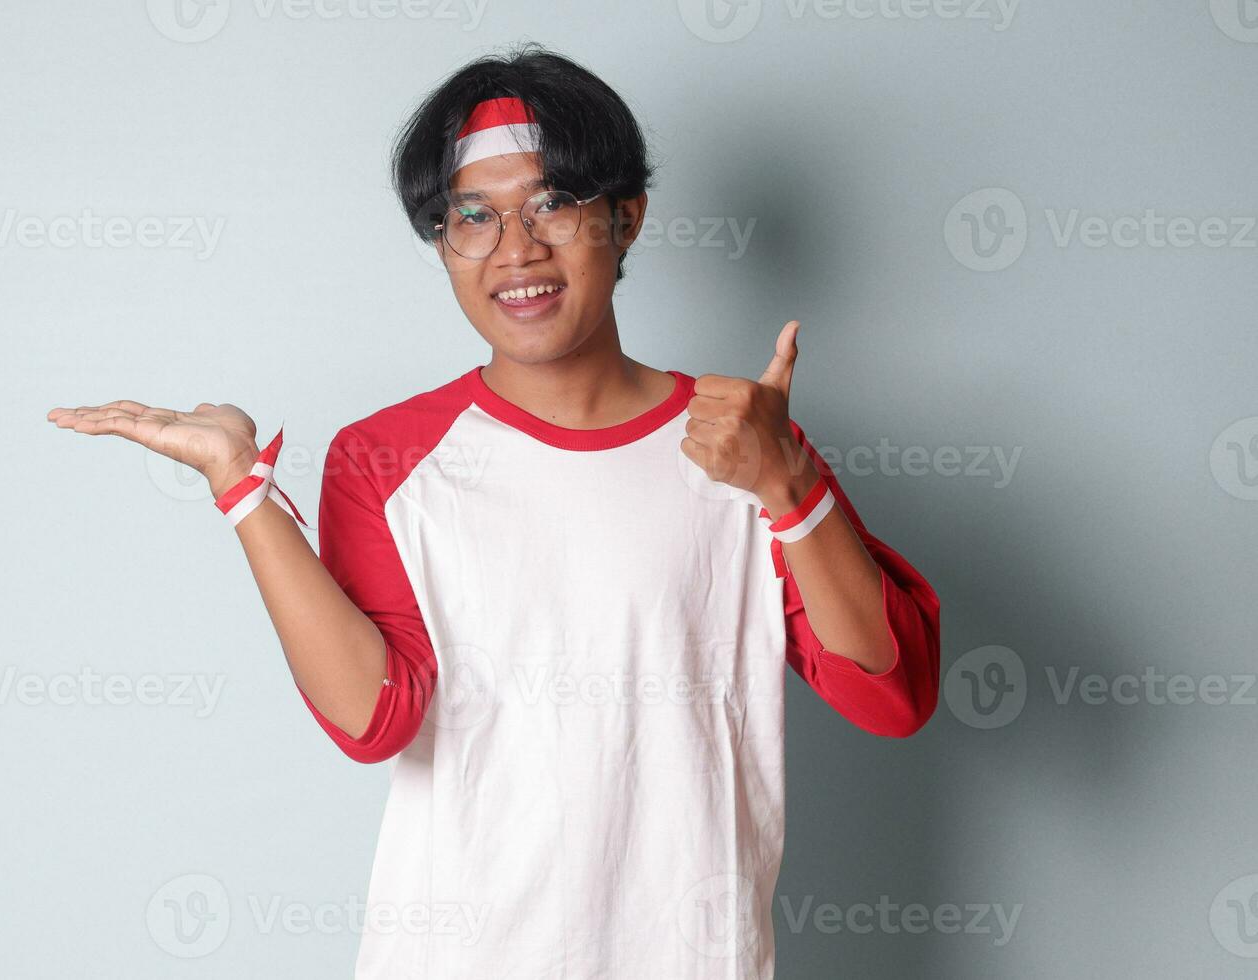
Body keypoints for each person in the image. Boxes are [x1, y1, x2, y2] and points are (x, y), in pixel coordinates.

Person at [48, 43, 939, 980]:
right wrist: (241, 487)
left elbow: (892, 693)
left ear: (626, 217)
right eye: (472, 217)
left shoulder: (744, 444)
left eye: (552, 203)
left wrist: (788, 485)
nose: (516, 250)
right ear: (443, 243)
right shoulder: (386, 459)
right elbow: (373, 720)